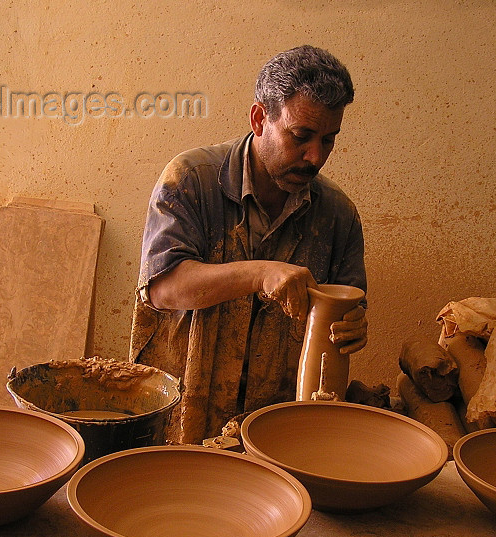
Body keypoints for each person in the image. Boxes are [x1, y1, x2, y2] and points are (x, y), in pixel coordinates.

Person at [129, 45, 368, 444]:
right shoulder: (190, 179)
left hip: (275, 427)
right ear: (260, 118)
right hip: (177, 415)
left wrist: (354, 327)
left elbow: (350, 309)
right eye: (301, 136)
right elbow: (163, 288)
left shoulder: (339, 215)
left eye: (328, 140)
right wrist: (260, 272)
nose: (315, 157)